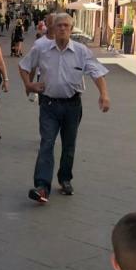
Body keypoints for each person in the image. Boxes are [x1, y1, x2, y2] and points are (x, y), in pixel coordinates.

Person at [20, 13, 110, 203]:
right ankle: (42, 186)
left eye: (66, 26)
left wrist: (104, 94)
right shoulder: (41, 48)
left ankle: (65, 178)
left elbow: (96, 72)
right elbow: (24, 65)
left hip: (72, 105)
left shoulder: (81, 51)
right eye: (59, 25)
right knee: (47, 143)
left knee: (69, 145)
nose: (62, 28)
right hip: (49, 105)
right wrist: (29, 85)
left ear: (71, 29)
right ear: (53, 28)